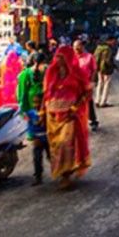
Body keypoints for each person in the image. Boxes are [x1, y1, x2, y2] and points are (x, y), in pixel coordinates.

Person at [43, 45, 91, 189]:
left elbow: (87, 92)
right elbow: (46, 93)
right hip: (52, 116)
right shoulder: (51, 72)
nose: (58, 60)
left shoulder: (77, 73)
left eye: (61, 57)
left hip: (70, 115)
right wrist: (41, 111)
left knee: (67, 145)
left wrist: (75, 107)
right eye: (57, 57)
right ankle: (61, 173)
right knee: (56, 147)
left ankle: (66, 175)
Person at [17, 53, 49, 186]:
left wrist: (23, 111)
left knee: (37, 148)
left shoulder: (25, 74)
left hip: (31, 112)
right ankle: (62, 171)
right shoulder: (48, 71)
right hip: (48, 110)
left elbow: (22, 94)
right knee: (50, 146)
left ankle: (38, 176)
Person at [73, 39, 99, 131]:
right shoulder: (71, 58)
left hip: (86, 84)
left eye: (78, 47)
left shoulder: (89, 57)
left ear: (82, 46)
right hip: (75, 85)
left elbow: (94, 70)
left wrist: (92, 82)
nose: (76, 49)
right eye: (75, 48)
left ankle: (93, 121)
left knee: (88, 102)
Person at [94, 36, 115, 108]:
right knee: (106, 85)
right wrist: (113, 66)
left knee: (99, 84)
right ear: (109, 41)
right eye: (113, 41)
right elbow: (108, 60)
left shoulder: (98, 47)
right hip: (106, 69)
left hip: (99, 69)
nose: (114, 43)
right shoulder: (108, 49)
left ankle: (97, 101)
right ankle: (103, 102)